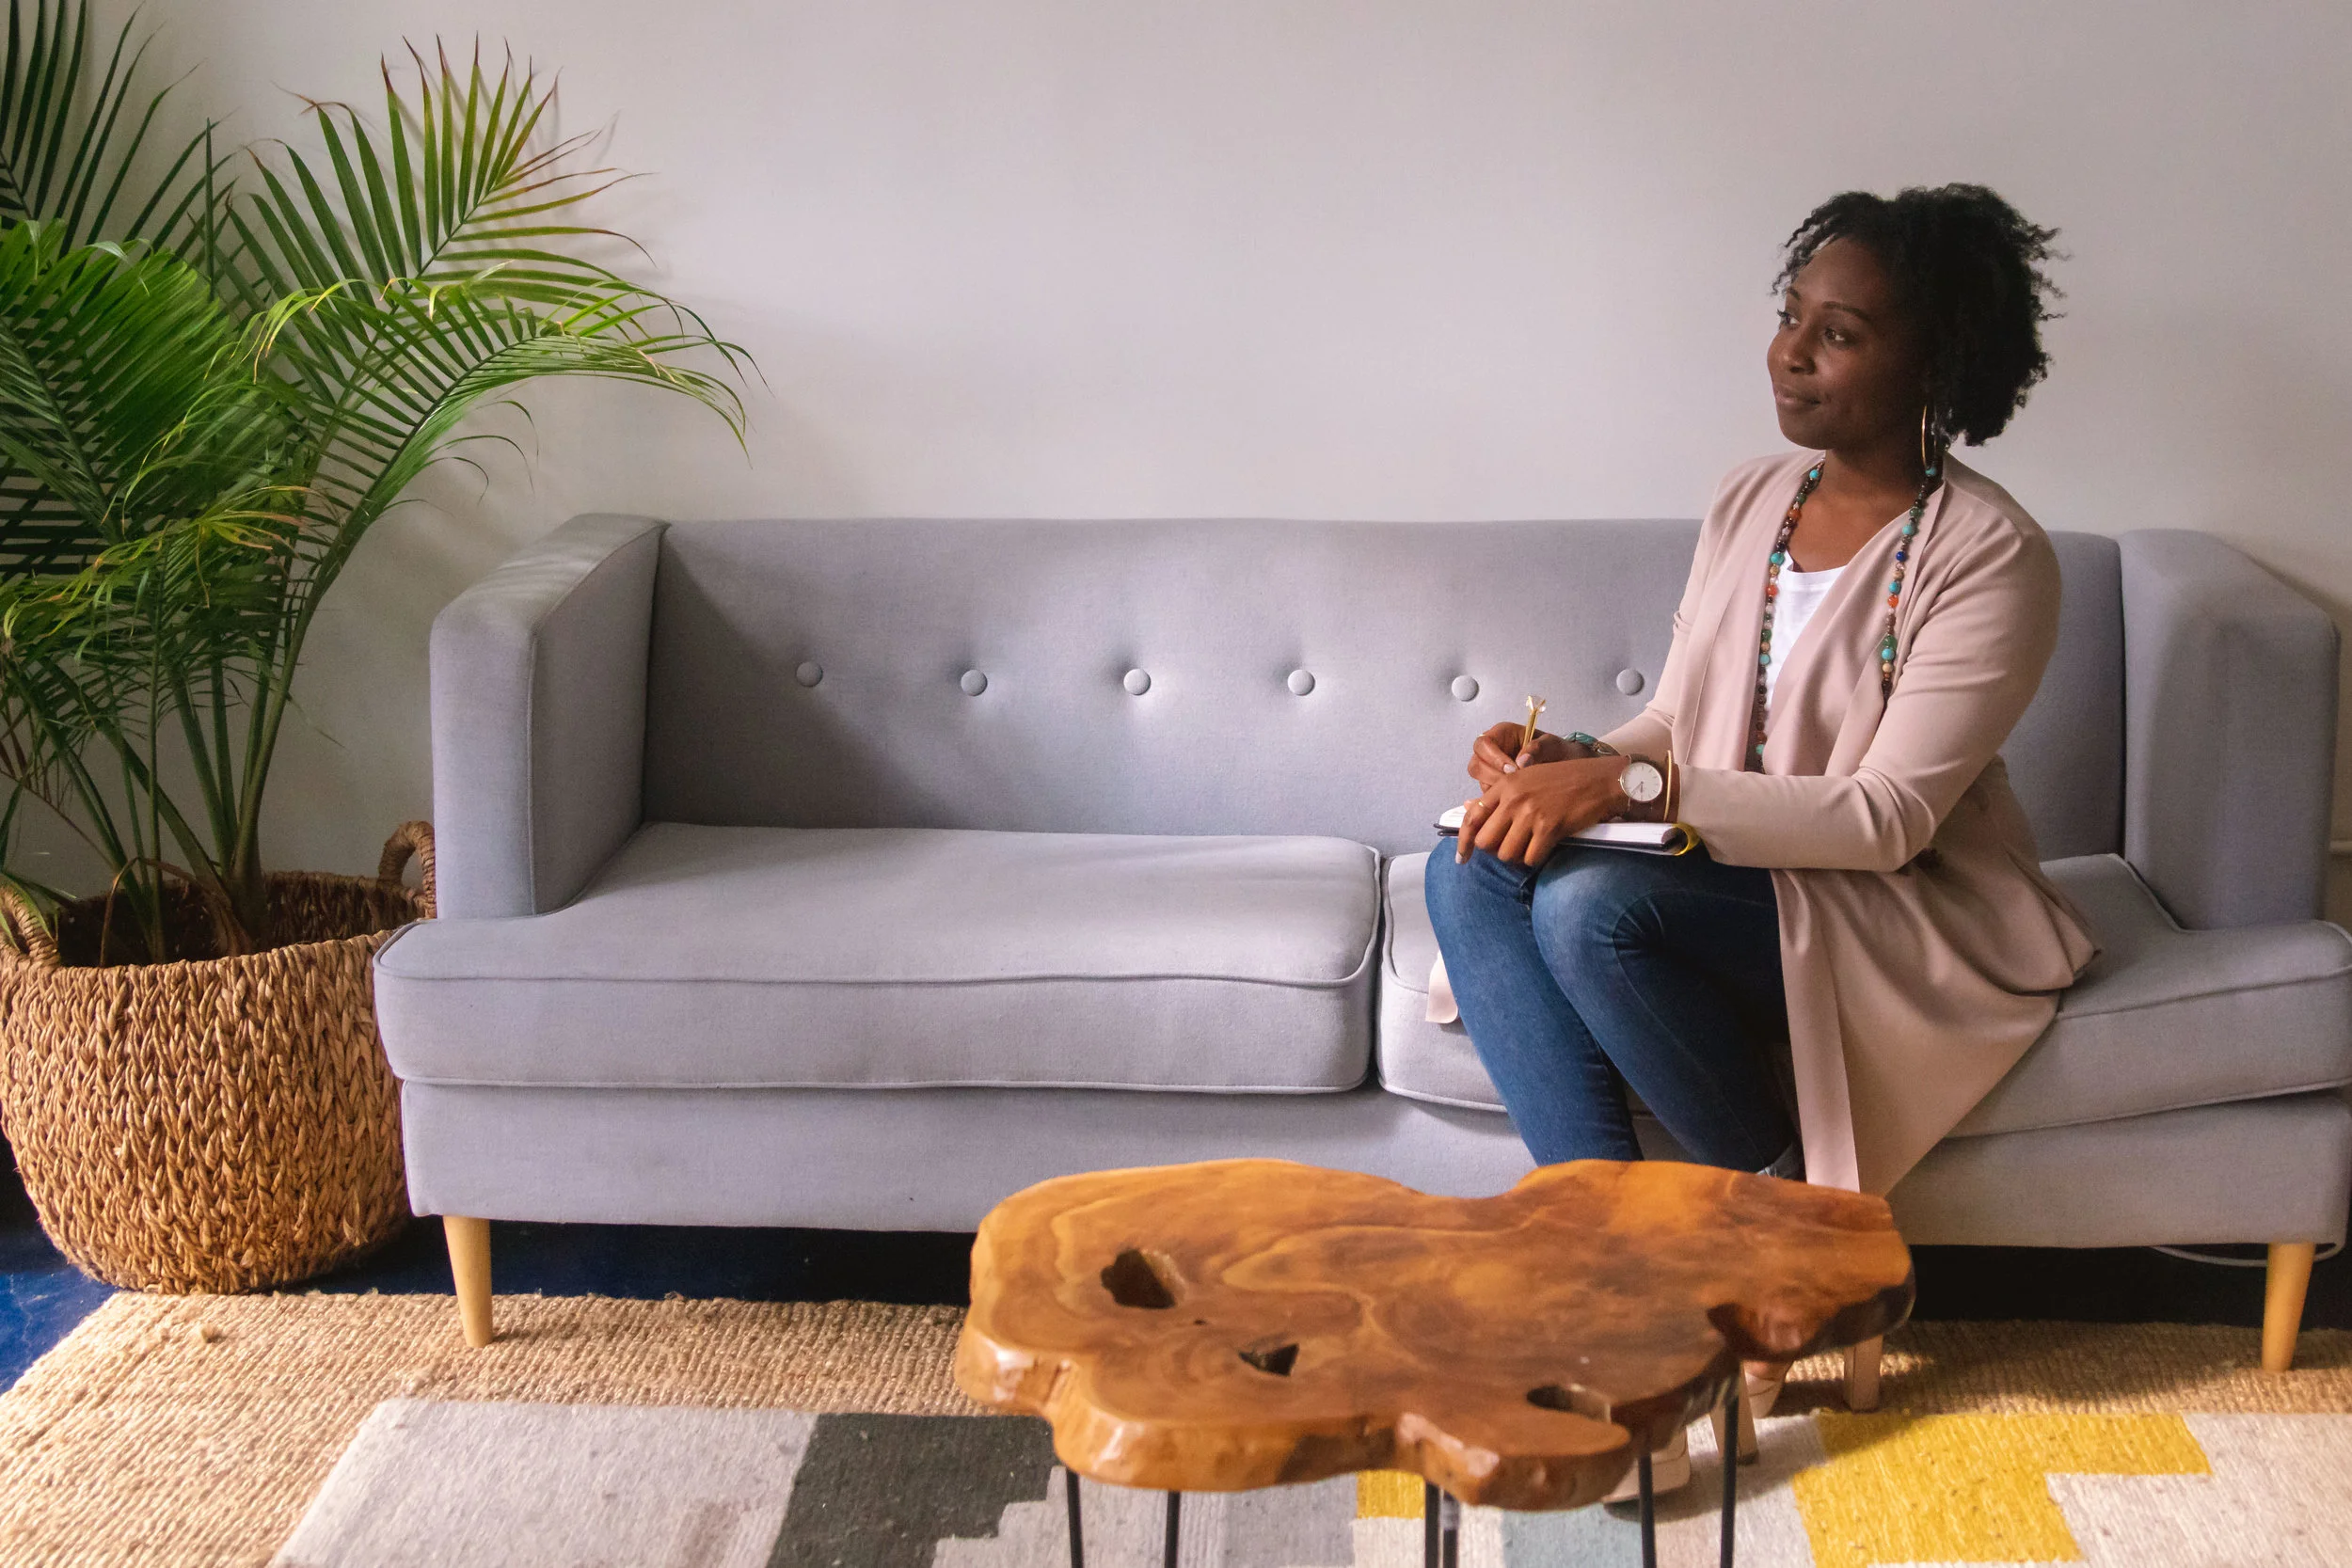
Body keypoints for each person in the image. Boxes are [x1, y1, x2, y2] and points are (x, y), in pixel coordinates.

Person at [1422, 184, 2099, 1486]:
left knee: (1589, 910)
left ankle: (1787, 1238)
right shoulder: (1751, 500)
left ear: (1934, 364)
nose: (1793, 351)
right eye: (1793, 317)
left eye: (1841, 333)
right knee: (1474, 860)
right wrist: (1573, 762)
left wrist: (1619, 801)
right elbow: (1682, 719)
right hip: (1731, 871)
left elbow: (1891, 818)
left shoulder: (1993, 554)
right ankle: (1634, 1325)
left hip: (1896, 906)